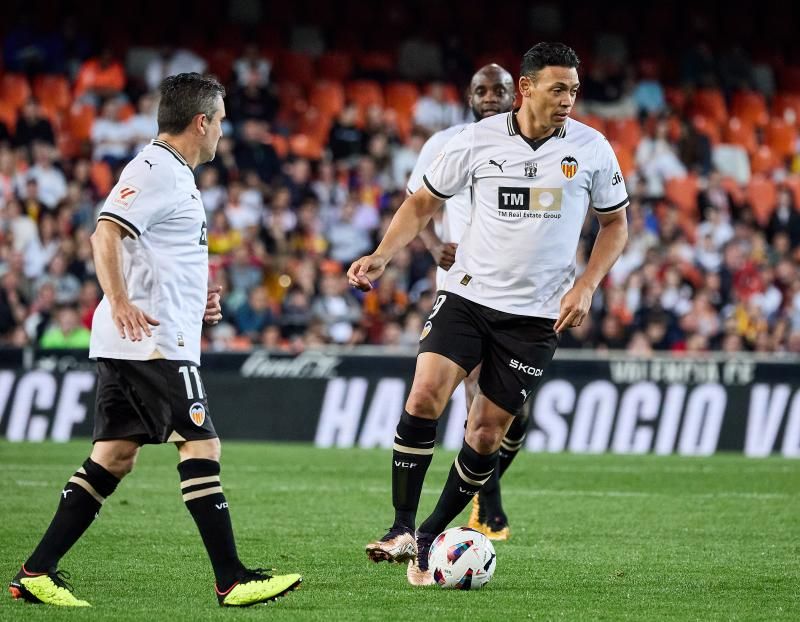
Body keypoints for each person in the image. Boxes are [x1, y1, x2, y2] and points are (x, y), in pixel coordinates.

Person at [9, 73, 301, 608]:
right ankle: (231, 578)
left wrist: (198, 304)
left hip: (145, 337)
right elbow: (105, 231)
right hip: (152, 343)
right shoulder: (156, 169)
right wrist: (119, 300)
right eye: (220, 119)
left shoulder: (172, 173)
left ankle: (36, 572)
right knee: (201, 444)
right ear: (201, 121)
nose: (223, 130)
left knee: (115, 456)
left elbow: (153, 254)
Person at [348, 42, 629, 586]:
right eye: (557, 88)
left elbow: (615, 224)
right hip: (468, 297)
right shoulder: (474, 141)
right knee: (425, 394)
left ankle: (430, 534)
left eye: (573, 89)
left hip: (536, 317)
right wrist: (382, 255)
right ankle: (401, 525)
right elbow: (422, 204)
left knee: (485, 432)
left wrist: (588, 285)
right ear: (527, 88)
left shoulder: (592, 149)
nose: (568, 98)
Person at [407, 63, 521, 541]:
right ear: (468, 96)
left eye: (499, 89)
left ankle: (483, 482)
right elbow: (416, 201)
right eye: (481, 89)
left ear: (518, 93)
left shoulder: (537, 147)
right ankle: (486, 499)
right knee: (473, 388)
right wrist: (436, 248)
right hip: (463, 286)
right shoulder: (445, 142)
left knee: (513, 413)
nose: (490, 96)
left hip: (522, 293)